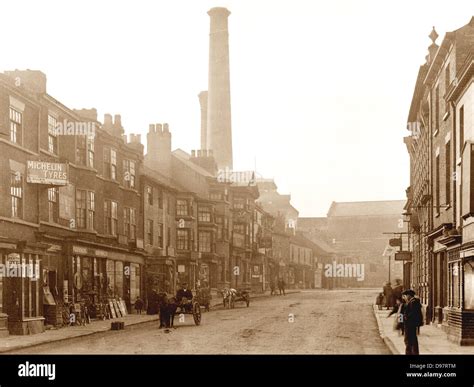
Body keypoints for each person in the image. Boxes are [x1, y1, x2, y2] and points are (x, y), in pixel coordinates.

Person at [402, 289, 423, 355]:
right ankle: (412, 352)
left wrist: (405, 317)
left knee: (409, 340)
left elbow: (413, 313)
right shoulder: (412, 302)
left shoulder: (413, 302)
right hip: (411, 324)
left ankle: (410, 353)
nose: (404, 298)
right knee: (411, 340)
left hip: (410, 324)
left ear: (409, 295)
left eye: (405, 296)